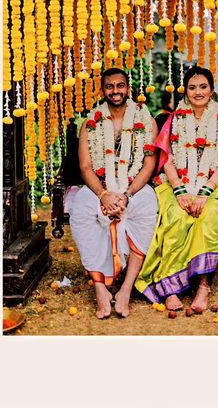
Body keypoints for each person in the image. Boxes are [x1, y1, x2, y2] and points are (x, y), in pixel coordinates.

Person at [135, 66, 218, 312]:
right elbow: (166, 158)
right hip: (175, 184)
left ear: (211, 91)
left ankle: (203, 286)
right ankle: (169, 288)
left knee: (209, 218)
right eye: (192, 87)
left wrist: (205, 192)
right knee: (176, 218)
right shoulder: (173, 119)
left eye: (203, 87)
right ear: (185, 91)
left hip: (214, 184)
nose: (197, 92)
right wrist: (179, 191)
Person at [69, 68, 159, 319]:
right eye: (110, 86)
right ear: (103, 90)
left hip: (134, 187)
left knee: (146, 209)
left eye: (120, 86)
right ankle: (100, 287)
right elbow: (86, 167)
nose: (116, 91)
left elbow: (149, 165)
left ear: (128, 89)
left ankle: (126, 290)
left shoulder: (144, 117)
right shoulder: (92, 121)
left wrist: (127, 194)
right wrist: (103, 195)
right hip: (100, 186)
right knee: (82, 210)